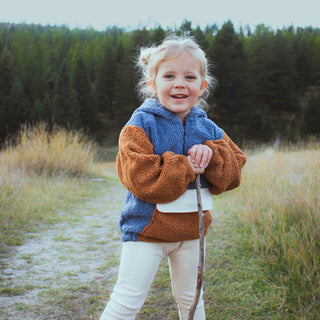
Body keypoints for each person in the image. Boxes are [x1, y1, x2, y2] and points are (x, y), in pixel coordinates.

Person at [99, 36, 247, 320]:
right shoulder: (140, 125)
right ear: (151, 84)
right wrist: (186, 165)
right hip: (146, 232)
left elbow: (235, 167)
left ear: (202, 86)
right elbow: (139, 177)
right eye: (169, 76)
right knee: (127, 301)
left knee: (192, 301)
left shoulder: (208, 127)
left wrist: (212, 155)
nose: (180, 83)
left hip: (192, 232)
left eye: (189, 77)